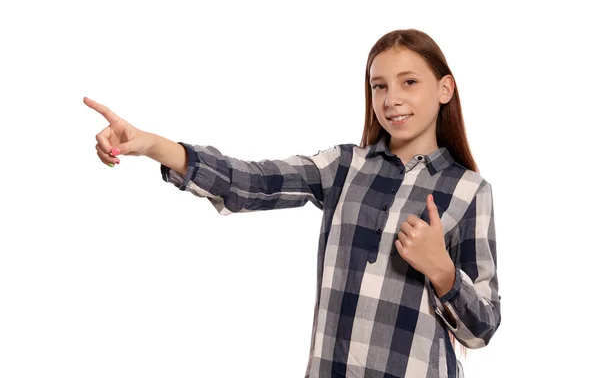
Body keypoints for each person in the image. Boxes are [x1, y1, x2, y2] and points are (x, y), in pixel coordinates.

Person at [84, 28, 500, 378]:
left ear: (445, 88)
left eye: (409, 82)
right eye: (379, 86)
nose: (391, 98)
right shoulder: (344, 166)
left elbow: (481, 328)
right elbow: (250, 180)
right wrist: (153, 145)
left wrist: (442, 271)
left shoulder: (468, 190)